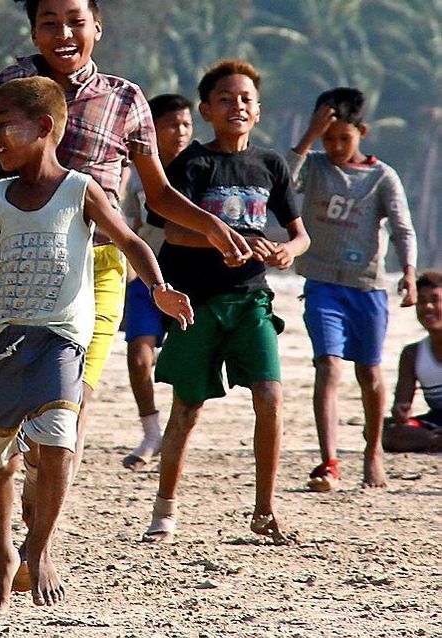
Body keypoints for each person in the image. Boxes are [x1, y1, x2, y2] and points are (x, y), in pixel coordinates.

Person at [0, 0, 251, 591]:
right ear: (33, 29)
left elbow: (156, 194)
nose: (63, 34)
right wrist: (24, 188)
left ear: (96, 27)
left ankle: (41, 546)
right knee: (18, 425)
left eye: (75, 21)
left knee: (73, 407)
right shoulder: (6, 92)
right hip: (23, 267)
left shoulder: (125, 97)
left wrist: (212, 226)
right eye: (49, 23)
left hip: (101, 266)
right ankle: (27, 523)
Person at [0, 76, 193, 614]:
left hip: (61, 339)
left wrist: (158, 287)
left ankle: (38, 546)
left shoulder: (79, 189)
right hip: (5, 337)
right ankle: (4, 556)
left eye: (4, 126)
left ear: (44, 127)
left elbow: (131, 240)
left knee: (57, 447)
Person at [141, 59, 310, 545]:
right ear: (207, 110)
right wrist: (223, 238)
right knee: (187, 409)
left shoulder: (270, 164)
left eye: (245, 99)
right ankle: (165, 511)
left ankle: (265, 509)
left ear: (257, 111)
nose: (236, 105)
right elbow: (172, 230)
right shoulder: (193, 163)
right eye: (225, 99)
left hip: (251, 299)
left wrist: (283, 251)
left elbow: (300, 237)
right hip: (196, 303)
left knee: (271, 396)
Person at [288, 87, 417, 491]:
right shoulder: (315, 166)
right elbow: (284, 183)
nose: (336, 147)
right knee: (328, 365)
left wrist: (409, 272)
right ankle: (329, 461)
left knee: (370, 374)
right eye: (329, 139)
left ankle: (373, 449)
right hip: (323, 284)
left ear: (362, 131)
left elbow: (401, 228)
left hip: (368, 288)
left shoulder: (382, 177)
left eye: (344, 138)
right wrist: (308, 138)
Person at [121, 93, 194, 470]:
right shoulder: (136, 174)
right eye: (170, 124)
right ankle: (151, 432)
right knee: (138, 355)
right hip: (148, 283)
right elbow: (131, 227)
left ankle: (176, 435)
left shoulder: (201, 167)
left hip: (192, 282)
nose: (179, 132)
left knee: (185, 364)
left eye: (185, 124)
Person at [384, 272, 442, 453]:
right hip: (437, 422)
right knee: (382, 430)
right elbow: (402, 404)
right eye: (422, 301)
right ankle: (435, 441)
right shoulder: (413, 354)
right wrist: (401, 412)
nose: (428, 307)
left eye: (435, 300)